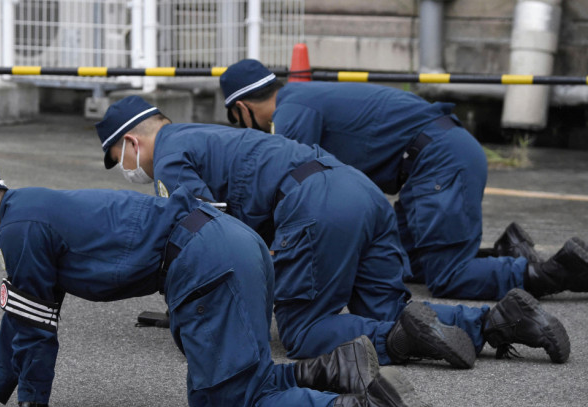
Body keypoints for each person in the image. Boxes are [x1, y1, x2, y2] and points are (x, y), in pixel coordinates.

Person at [0, 153, 464, 407]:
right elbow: (22, 318)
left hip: (204, 259)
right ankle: (332, 368)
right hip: (222, 244)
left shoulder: (24, 227)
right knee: (209, 401)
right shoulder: (28, 216)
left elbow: (36, 333)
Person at [96, 96, 571, 368]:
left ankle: (407, 340)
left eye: (120, 159)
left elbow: (205, 234)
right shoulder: (205, 135)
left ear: (132, 141)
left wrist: (191, 309)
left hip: (315, 205)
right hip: (359, 191)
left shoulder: (171, 153)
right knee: (386, 307)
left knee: (304, 332)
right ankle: (499, 321)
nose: (127, 170)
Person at [218, 59, 588, 301]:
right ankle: (509, 251)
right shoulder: (302, 96)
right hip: (432, 161)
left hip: (438, 162)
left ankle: (554, 272)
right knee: (396, 261)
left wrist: (260, 243)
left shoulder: (292, 112)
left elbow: (291, 192)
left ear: (241, 109)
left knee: (448, 276)